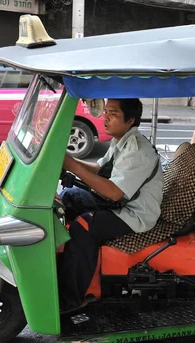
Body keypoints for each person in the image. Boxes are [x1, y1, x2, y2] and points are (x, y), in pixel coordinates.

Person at [58, 98, 163, 312]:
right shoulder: (121, 140)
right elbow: (100, 168)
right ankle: (66, 261)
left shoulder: (137, 149)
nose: (105, 117)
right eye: (106, 111)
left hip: (135, 214)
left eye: (113, 113)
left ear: (130, 119)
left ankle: (70, 300)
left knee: (84, 225)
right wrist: (69, 161)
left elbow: (114, 193)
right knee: (68, 197)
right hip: (120, 203)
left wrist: (75, 168)